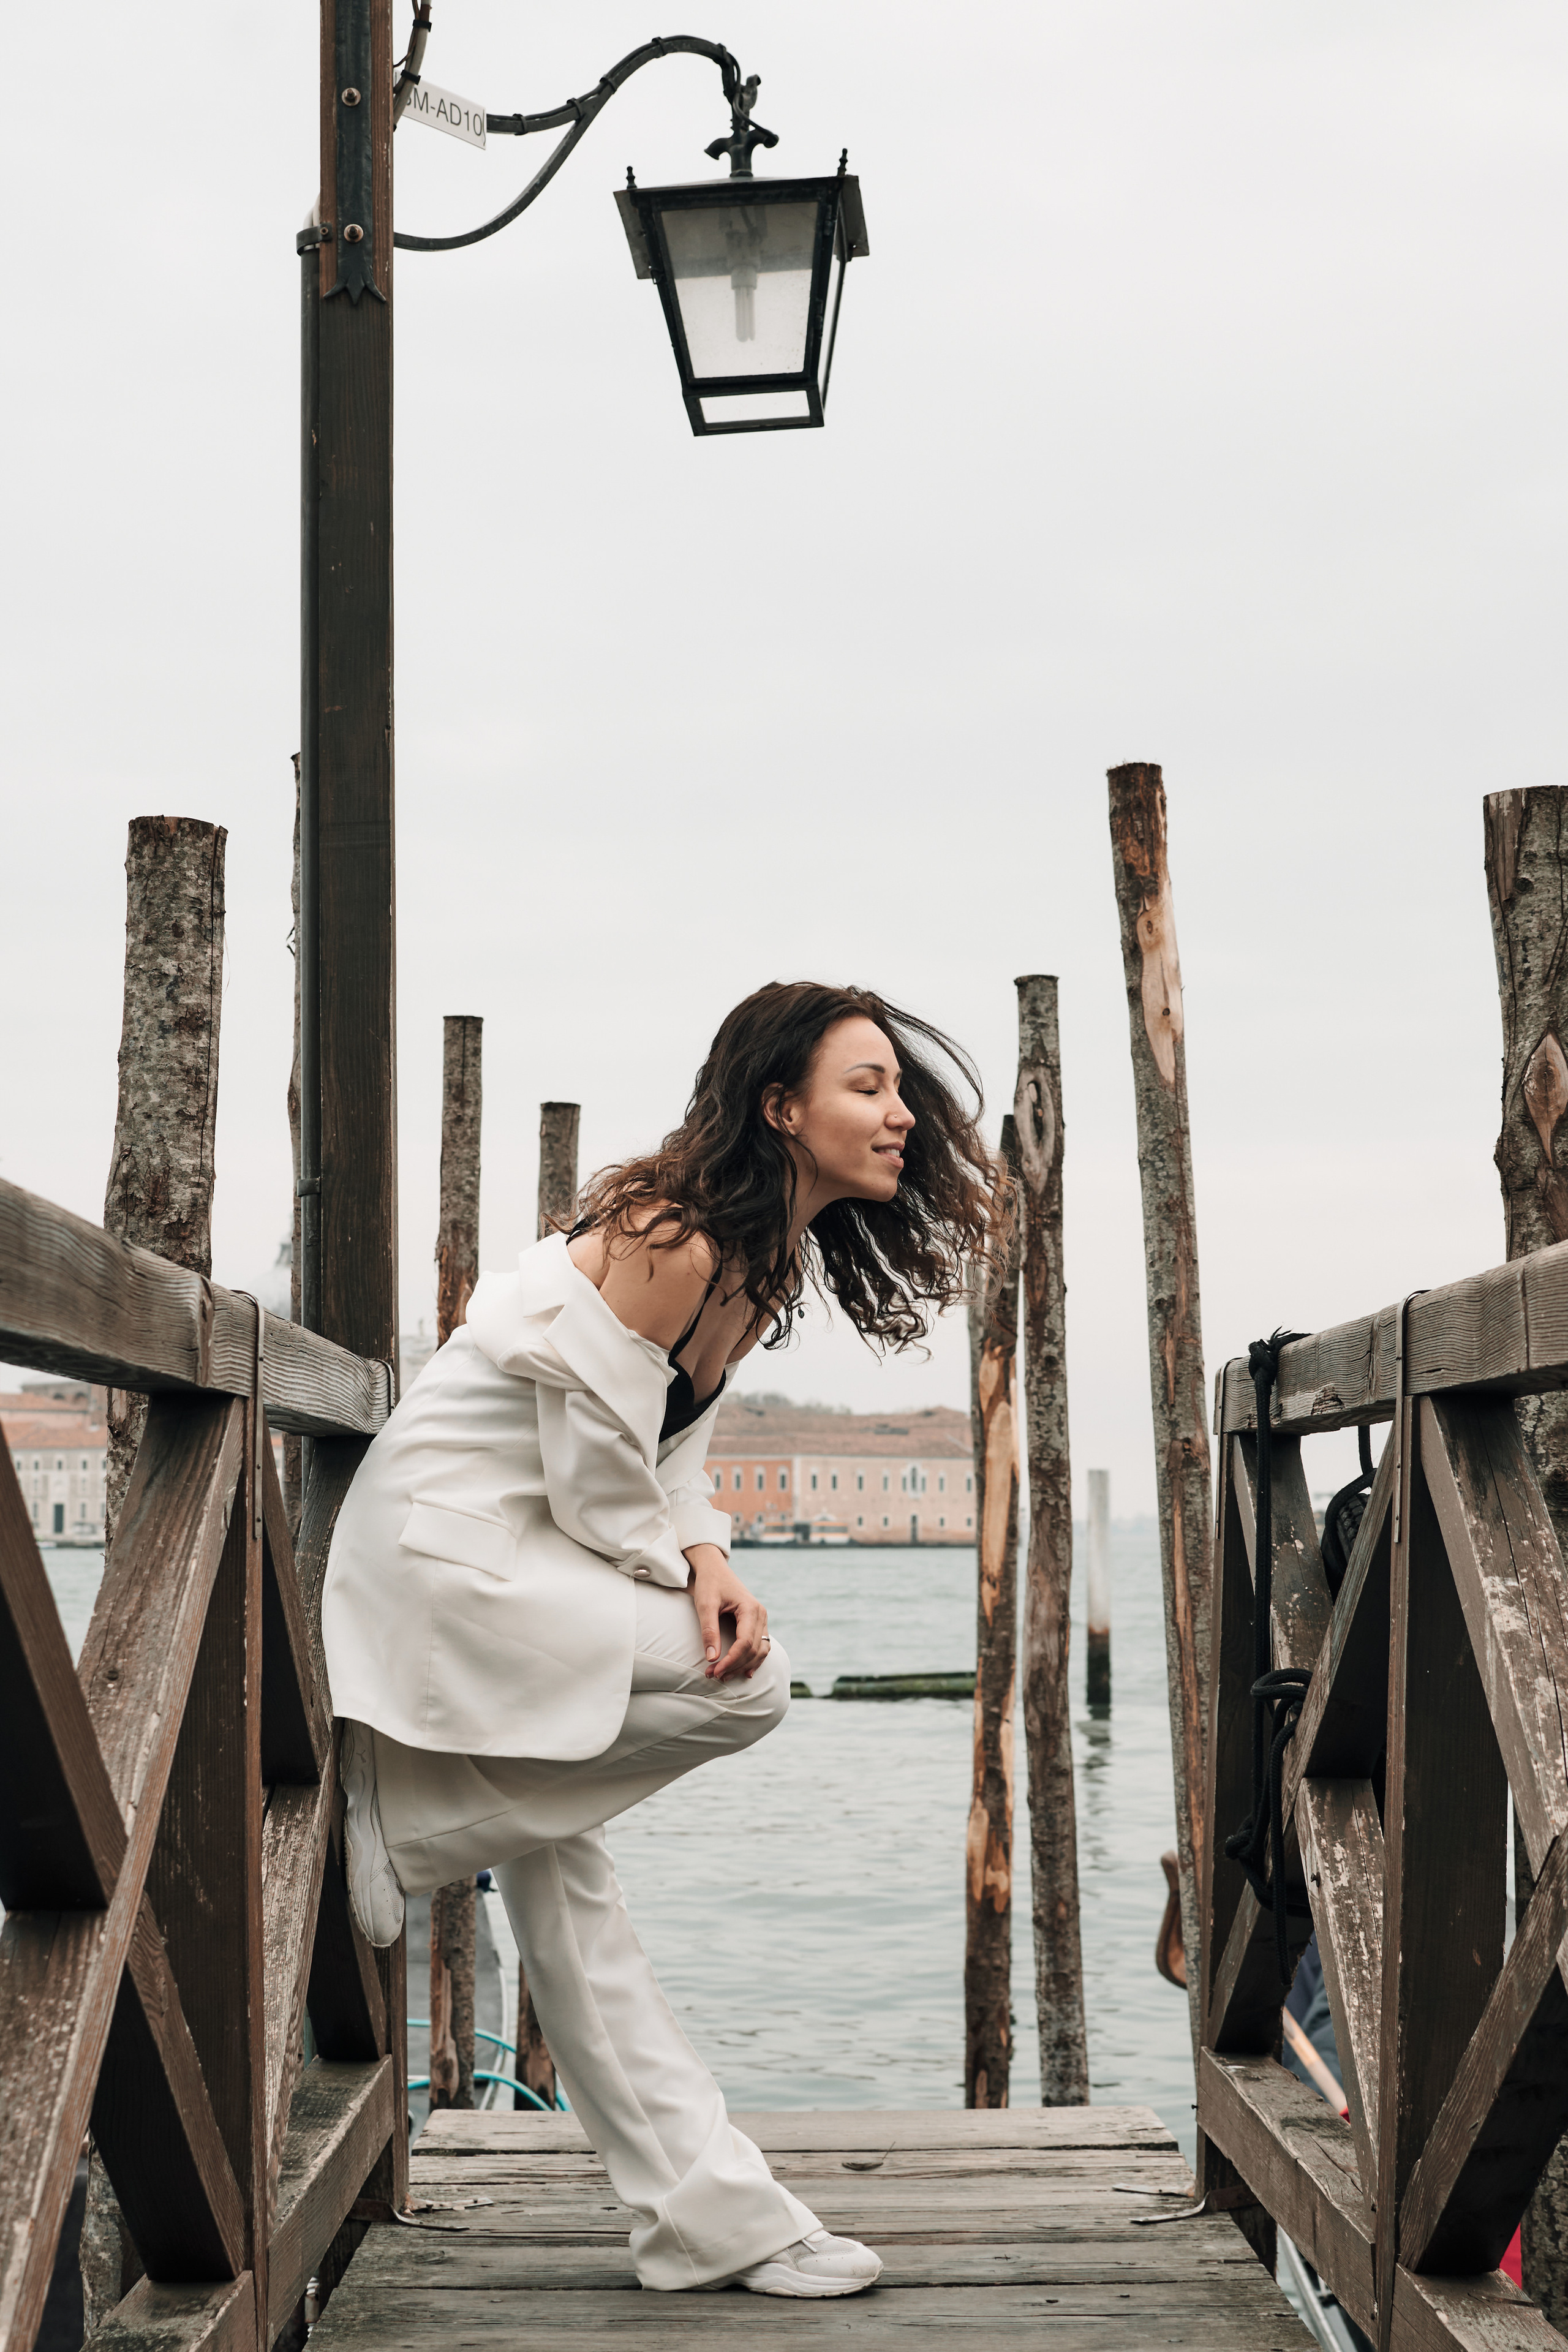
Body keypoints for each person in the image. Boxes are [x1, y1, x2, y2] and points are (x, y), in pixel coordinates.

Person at [320, 980, 999, 2298]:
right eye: (866, 1087)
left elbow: (660, 1461)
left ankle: (705, 2218)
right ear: (779, 1106)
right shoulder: (671, 1235)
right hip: (449, 1560)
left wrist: (706, 1557)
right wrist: (693, 1581)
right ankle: (406, 1826)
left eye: (897, 1089)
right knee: (750, 1691)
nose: (899, 1115)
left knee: (566, 1882)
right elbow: (591, 1482)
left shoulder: (761, 1259)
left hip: (534, 1556)